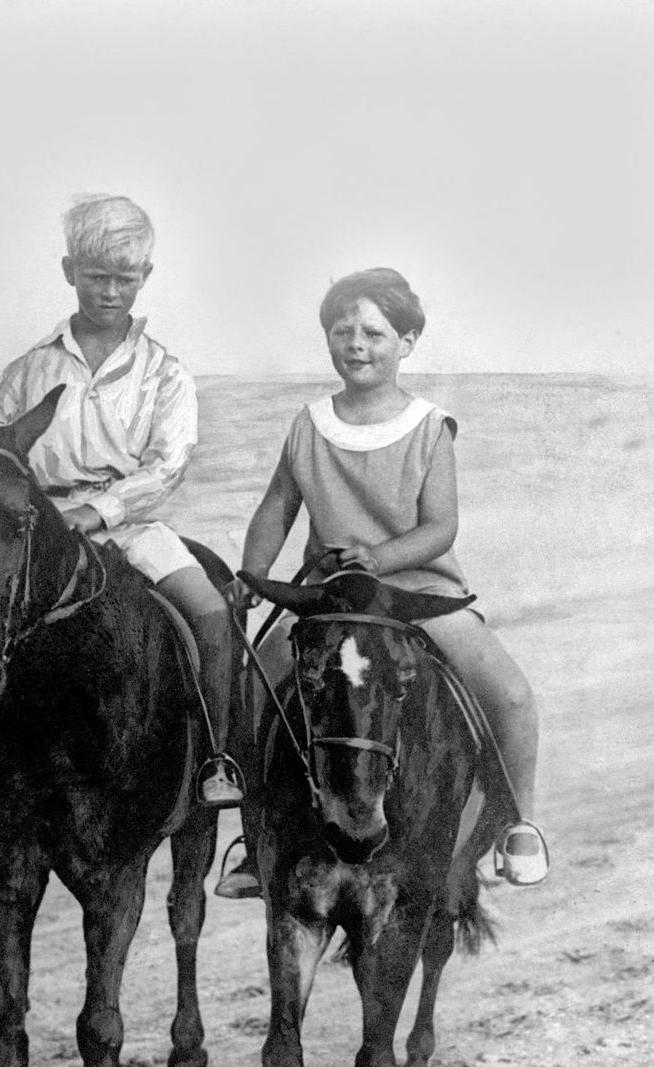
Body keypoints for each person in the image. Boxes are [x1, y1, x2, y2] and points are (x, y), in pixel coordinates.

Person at [0, 193, 244, 809]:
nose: (109, 291)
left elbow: (167, 467)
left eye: (124, 279)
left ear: (145, 278)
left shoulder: (165, 374)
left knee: (212, 616)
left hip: (133, 528)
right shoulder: (29, 369)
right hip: (37, 529)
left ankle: (217, 757)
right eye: (95, 276)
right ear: (69, 272)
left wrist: (99, 510)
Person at [221, 266, 548, 889]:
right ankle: (254, 834)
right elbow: (276, 509)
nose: (356, 344)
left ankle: (520, 824)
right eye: (342, 331)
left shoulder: (429, 426)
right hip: (329, 593)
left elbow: (440, 529)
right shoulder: (309, 424)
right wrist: (252, 574)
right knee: (255, 684)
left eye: (373, 332)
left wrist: (380, 557)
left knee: (509, 695)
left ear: (408, 341)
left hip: (418, 590)